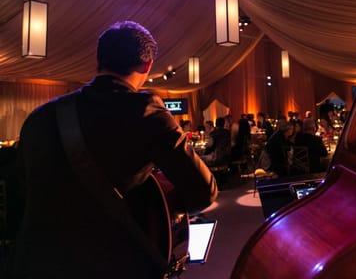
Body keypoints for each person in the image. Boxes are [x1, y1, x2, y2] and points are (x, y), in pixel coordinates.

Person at [14, 21, 217, 279]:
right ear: (147, 66)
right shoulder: (144, 110)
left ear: (98, 60)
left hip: (33, 263)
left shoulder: (40, 117)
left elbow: (20, 193)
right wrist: (152, 206)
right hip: (109, 264)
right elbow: (203, 191)